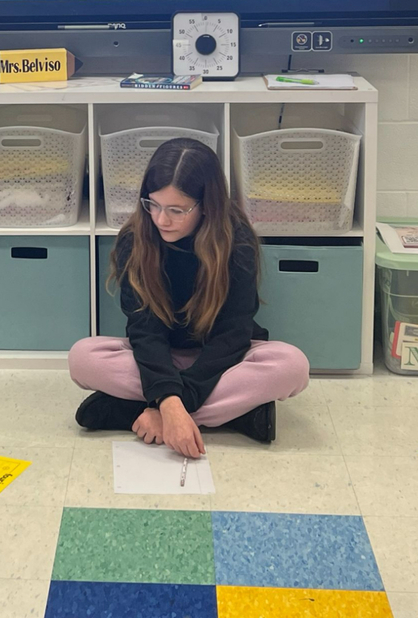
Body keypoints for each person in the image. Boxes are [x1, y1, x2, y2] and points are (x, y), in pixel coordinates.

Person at [69, 138, 309, 455]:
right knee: (82, 358)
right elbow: (144, 331)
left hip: (222, 359)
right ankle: (234, 415)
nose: (161, 219)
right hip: (160, 357)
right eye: (152, 204)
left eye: (176, 210)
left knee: (292, 366)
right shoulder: (136, 239)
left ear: (206, 206)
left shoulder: (235, 241)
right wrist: (171, 398)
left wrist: (168, 405)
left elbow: (232, 334)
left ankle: (139, 413)